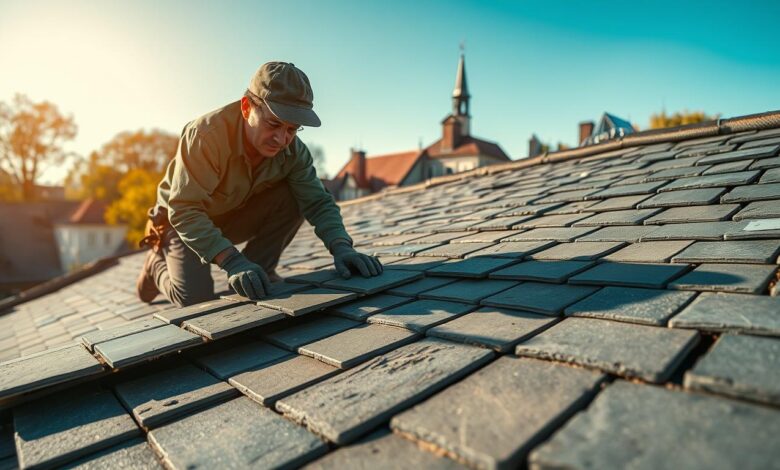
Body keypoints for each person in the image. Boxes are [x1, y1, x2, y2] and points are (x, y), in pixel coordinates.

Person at [135, 61, 382, 307]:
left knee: (295, 197)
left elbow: (317, 202)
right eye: (273, 124)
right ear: (246, 107)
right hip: (181, 222)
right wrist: (232, 261)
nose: (281, 139)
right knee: (196, 301)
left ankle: (258, 268)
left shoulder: (294, 152)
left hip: (232, 215)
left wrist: (341, 247)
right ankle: (155, 265)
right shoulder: (206, 136)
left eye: (292, 129)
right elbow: (185, 209)